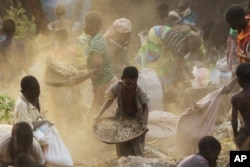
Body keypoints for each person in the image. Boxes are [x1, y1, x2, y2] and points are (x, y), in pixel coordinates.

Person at [68, 11, 117, 114]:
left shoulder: (96, 44)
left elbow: (97, 69)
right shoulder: (96, 38)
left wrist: (78, 79)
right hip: (102, 82)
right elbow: (94, 63)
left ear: (93, 26)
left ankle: (88, 128)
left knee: (97, 114)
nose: (83, 26)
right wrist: (77, 68)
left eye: (85, 23)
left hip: (105, 83)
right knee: (95, 111)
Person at [95, 66, 150, 157]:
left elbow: (146, 107)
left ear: (137, 80)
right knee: (121, 143)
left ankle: (139, 162)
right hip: (121, 118)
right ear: (122, 79)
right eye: (128, 84)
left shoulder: (140, 91)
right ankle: (122, 161)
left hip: (136, 120)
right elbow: (109, 100)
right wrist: (99, 114)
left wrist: (144, 123)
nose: (131, 87)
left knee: (137, 146)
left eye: (134, 83)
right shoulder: (116, 87)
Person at [0, 19, 28, 84]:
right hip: (17, 80)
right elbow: (25, 64)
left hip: (3, 79)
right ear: (15, 31)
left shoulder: (0, 45)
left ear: (3, 31)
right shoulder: (20, 46)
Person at [231, 62, 250, 150]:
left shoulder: (236, 98)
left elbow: (234, 121)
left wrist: (236, 134)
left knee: (240, 159)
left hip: (246, 132)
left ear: (239, 80)